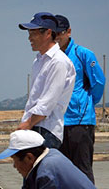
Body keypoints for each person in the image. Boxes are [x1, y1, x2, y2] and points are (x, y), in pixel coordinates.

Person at [55, 14, 106, 183]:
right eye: (53, 34)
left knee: (82, 170)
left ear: (68, 32)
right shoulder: (52, 57)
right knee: (62, 170)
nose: (57, 37)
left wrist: (87, 102)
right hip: (59, 122)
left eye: (60, 33)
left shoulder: (83, 54)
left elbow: (98, 82)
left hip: (80, 121)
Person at [18, 12, 76, 149]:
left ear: (48, 33)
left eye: (33, 33)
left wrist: (26, 124)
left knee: (43, 169)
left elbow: (47, 103)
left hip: (47, 130)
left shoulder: (58, 61)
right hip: (35, 127)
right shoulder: (38, 61)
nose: (29, 38)